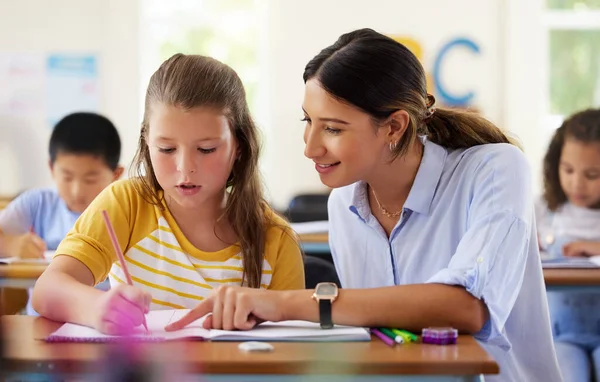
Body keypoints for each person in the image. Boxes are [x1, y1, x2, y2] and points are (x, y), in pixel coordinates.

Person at [166, 29, 562, 382]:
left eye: (333, 128)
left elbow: (468, 309)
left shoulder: (495, 169)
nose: (310, 146)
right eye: (309, 121)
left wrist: (284, 303)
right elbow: (382, 338)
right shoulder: (344, 204)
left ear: (394, 126)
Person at [32, 54, 304, 335]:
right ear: (146, 141)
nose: (185, 168)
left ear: (239, 147)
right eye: (166, 149)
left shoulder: (278, 242)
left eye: (207, 149)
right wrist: (96, 307)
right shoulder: (127, 203)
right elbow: (47, 289)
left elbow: (290, 350)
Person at [0, 112, 123, 314]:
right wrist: (11, 245)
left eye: (90, 179)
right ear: (51, 168)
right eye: (67, 177)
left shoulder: (125, 209)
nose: (77, 191)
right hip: (42, 320)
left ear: (116, 174)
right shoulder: (38, 202)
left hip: (102, 320)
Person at [536, 108, 600, 382]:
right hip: (560, 334)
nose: (577, 183)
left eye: (592, 174)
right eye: (568, 169)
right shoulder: (544, 209)